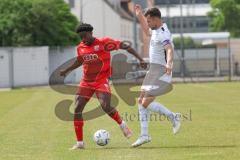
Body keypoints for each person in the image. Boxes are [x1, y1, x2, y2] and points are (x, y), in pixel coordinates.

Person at [60, 23, 147, 150]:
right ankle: (80, 143)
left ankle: (122, 124)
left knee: (105, 106)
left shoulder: (104, 43)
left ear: (91, 33)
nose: (83, 39)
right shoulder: (80, 47)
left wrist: (140, 59)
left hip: (101, 80)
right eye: (81, 37)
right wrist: (66, 70)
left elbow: (125, 46)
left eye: (84, 36)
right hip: (86, 82)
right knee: (77, 108)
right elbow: (80, 60)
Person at [132, 5, 181, 147]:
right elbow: (147, 32)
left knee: (146, 102)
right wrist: (139, 15)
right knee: (141, 101)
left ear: (155, 19)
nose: (147, 24)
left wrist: (169, 63)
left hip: (161, 72)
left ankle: (174, 117)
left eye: (148, 21)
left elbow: (169, 50)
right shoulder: (155, 30)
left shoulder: (163, 33)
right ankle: (144, 135)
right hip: (153, 71)